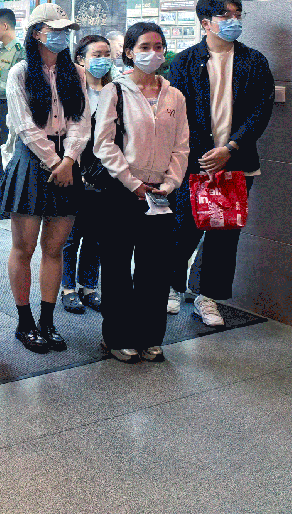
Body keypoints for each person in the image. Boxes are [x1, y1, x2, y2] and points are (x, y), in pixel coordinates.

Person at [168, 0, 273, 325]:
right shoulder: (184, 62)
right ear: (206, 23)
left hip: (236, 161)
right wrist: (205, 156)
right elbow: (177, 115)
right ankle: (171, 286)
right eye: (226, 16)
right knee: (183, 228)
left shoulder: (253, 61)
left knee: (223, 235)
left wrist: (231, 148)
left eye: (238, 15)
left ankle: (207, 296)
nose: (234, 21)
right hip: (194, 163)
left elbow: (261, 110)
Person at [92, 22, 189, 363]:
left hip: (160, 193)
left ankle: (150, 336)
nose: (153, 53)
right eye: (145, 47)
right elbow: (104, 145)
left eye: (158, 46)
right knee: (117, 266)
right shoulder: (115, 92)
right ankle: (117, 336)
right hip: (122, 191)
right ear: (130, 52)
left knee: (155, 268)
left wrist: (169, 184)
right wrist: (132, 183)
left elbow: (181, 146)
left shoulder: (174, 96)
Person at [0, 3, 89, 354]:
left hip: (68, 160)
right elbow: (24, 125)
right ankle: (24, 322)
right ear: (37, 33)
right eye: (56, 29)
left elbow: (82, 119)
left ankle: (48, 321)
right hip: (33, 160)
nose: (63, 36)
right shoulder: (20, 72)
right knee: (24, 248)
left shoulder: (76, 73)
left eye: (66, 30)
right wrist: (55, 162)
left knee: (55, 248)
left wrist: (69, 160)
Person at [60, 34, 112, 315]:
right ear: (80, 59)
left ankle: (89, 286)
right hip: (76, 169)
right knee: (71, 235)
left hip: (105, 173)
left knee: (96, 234)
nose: (103, 60)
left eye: (107, 54)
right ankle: (68, 288)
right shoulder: (71, 90)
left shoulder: (114, 91)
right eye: (97, 54)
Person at [0, 7, 24, 195]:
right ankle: (2, 194)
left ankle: (8, 195)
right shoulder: (3, 51)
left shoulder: (19, 51)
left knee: (6, 152)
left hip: (9, 108)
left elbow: (19, 85)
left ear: (5, 26)